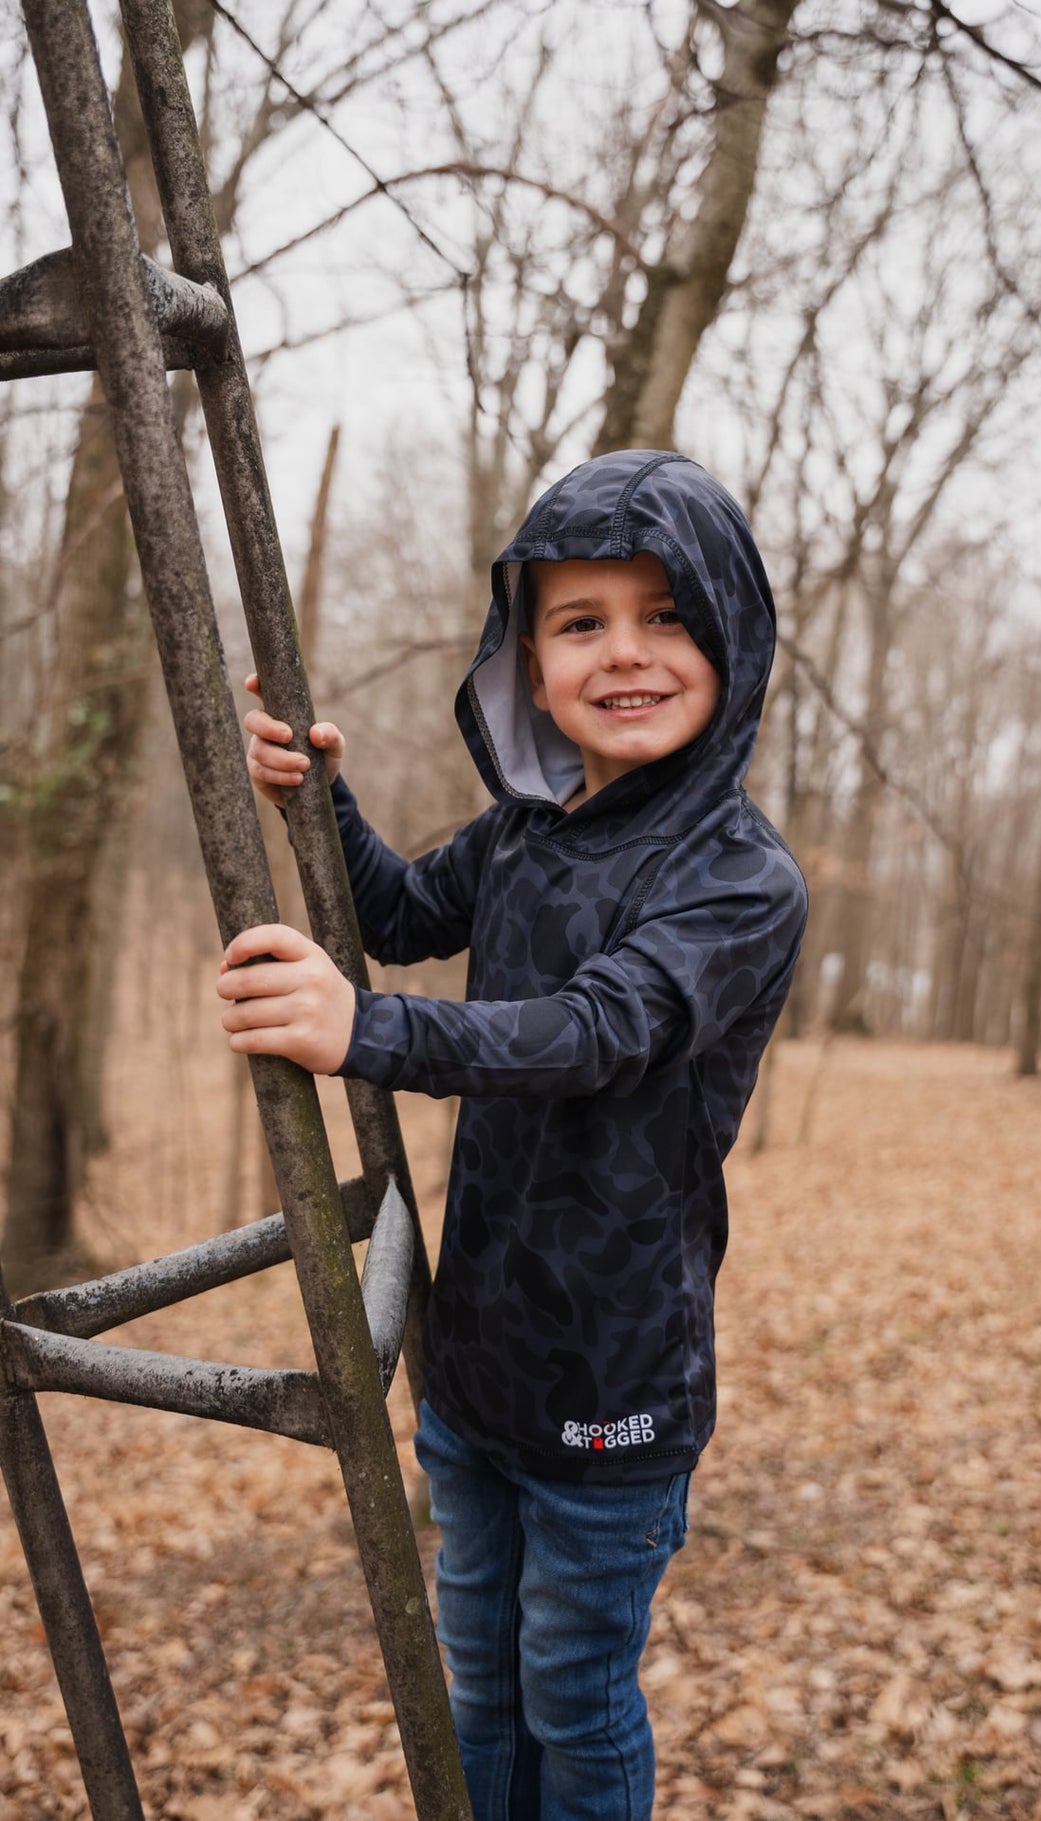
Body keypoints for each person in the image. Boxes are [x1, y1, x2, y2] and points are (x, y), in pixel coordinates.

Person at [217, 448, 809, 1821]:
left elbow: (590, 1032)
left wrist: (363, 1032)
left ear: (730, 632)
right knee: (476, 1684)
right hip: (472, 1360)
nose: (624, 653)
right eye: (578, 621)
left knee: (572, 1689)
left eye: (664, 615)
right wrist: (318, 804)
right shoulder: (530, 826)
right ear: (524, 656)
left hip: (615, 1374)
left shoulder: (736, 877)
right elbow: (405, 914)